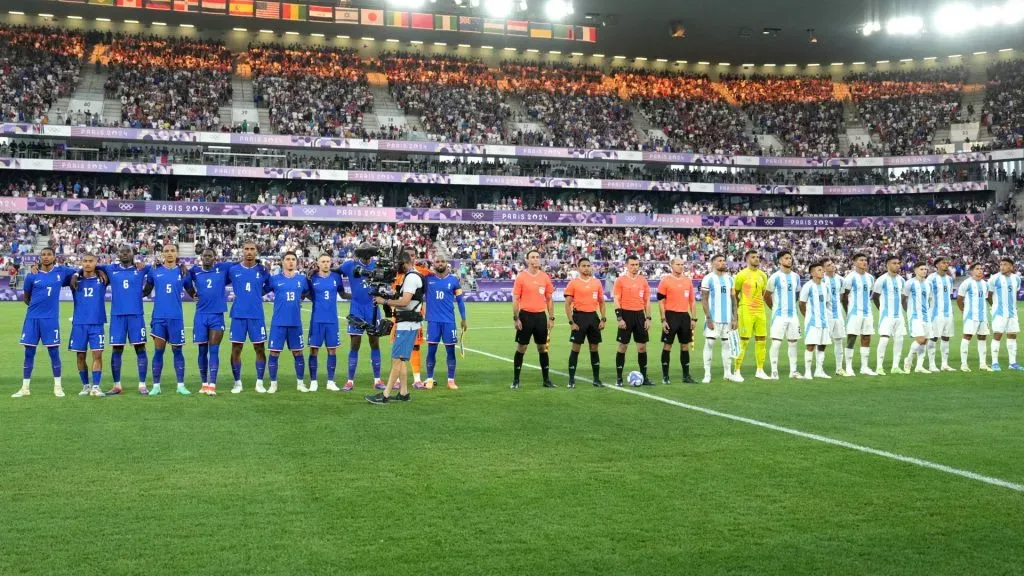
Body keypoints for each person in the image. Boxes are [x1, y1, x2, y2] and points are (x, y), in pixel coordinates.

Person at [14, 248, 75, 398]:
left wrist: (76, 275)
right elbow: (26, 298)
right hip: (32, 319)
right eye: (43, 255)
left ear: (54, 257)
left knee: (54, 353)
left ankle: (58, 387)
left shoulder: (61, 272)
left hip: (50, 320)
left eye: (49, 254)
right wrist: (37, 309)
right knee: (29, 353)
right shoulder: (32, 275)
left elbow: (79, 271)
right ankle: (25, 388)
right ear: (40, 257)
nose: (46, 257)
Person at [366, 251, 423, 404]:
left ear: (403, 263)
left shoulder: (411, 277)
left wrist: (384, 301)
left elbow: (404, 302)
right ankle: (403, 393)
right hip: (408, 323)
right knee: (402, 359)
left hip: (407, 324)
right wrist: (391, 296)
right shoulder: (412, 276)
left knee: (396, 359)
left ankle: (385, 395)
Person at [143, 243, 195, 396]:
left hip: (176, 318)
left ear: (177, 253)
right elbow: (146, 291)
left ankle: (180, 385)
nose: (170, 253)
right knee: (158, 352)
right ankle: (156, 386)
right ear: (162, 254)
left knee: (177, 351)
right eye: (167, 251)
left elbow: (192, 291)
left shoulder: (183, 272)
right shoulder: (154, 270)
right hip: (159, 317)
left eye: (172, 251)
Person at [99, 245, 151, 395]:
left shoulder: (141, 268)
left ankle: (142, 385)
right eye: (121, 252)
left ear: (133, 253)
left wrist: (181, 265)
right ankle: (117, 386)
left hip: (136, 315)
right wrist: (77, 274)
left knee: (140, 348)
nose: (124, 254)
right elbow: (90, 265)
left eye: (127, 251)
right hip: (117, 316)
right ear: (117, 254)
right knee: (117, 349)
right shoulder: (110, 268)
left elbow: (157, 268)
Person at [339, 244, 384, 391]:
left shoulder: (378, 265)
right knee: (355, 344)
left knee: (374, 343)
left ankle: (377, 380)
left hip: (373, 308)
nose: (366, 255)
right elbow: (335, 271)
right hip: (356, 308)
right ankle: (350, 381)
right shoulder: (349, 265)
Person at [229, 240, 271, 393]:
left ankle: (259, 382)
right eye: (246, 249)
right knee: (236, 348)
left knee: (259, 348)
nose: (249, 251)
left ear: (256, 251)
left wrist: (256, 295)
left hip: (256, 315)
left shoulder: (263, 271)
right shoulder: (233, 270)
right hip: (238, 315)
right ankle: (237, 382)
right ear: (242, 251)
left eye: (252, 249)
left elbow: (269, 286)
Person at [511, 249, 555, 389]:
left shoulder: (545, 277)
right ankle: (516, 380)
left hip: (541, 316)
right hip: (525, 316)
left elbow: (549, 299)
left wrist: (551, 317)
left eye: (537, 257)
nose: (536, 259)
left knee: (543, 348)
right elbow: (516, 298)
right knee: (522, 347)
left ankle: (546, 380)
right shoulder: (521, 277)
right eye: (533, 257)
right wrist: (516, 318)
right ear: (528, 260)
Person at [422, 253, 467, 390]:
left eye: (442, 261)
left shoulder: (454, 280)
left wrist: (463, 318)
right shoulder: (427, 279)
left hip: (449, 321)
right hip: (433, 321)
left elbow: (460, 301)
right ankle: (429, 379)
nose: (440, 263)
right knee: (431, 351)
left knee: (451, 351)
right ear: (433, 264)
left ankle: (451, 380)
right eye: (437, 262)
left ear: (446, 263)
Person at [268, 252, 311, 394]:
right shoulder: (274, 279)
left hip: (295, 323)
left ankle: (300, 383)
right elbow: (259, 291)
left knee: (298, 353)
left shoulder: (302, 279)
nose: (290, 262)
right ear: (282, 262)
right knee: (274, 353)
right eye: (288, 259)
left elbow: (306, 293)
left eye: (293, 259)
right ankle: (273, 384)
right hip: (278, 323)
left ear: (297, 262)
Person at [189, 248, 230, 395]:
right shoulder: (194, 271)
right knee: (201, 351)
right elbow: (186, 282)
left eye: (210, 256)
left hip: (216, 315)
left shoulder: (223, 270)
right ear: (201, 257)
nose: (207, 258)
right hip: (200, 316)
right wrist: (192, 293)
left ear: (214, 258)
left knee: (214, 350)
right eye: (205, 256)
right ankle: (203, 383)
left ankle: (212, 384)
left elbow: (240, 268)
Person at [68, 253, 108, 397]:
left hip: (97, 323)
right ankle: (85, 386)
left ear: (96, 262)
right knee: (80, 356)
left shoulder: (103, 278)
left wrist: (100, 269)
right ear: (81, 262)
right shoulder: (74, 279)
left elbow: (113, 268)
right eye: (84, 261)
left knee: (97, 354)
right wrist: (76, 272)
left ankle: (96, 387)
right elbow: (58, 271)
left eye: (91, 261)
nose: (87, 264)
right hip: (79, 323)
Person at [564, 257, 606, 388]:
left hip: (593, 317)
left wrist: (603, 318)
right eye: (583, 266)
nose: (586, 268)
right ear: (578, 268)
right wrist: (571, 322)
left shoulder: (597, 283)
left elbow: (601, 302)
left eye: (588, 265)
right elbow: (567, 304)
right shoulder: (573, 283)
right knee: (576, 348)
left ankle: (596, 379)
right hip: (579, 317)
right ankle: (571, 380)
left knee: (594, 348)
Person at [656, 257, 697, 384]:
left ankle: (686, 376)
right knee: (667, 345)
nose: (680, 266)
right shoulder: (665, 281)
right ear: (671, 265)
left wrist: (694, 318)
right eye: (678, 264)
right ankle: (665, 376)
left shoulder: (688, 281)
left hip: (685, 316)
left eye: (682, 264)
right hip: (670, 316)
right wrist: (663, 319)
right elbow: (661, 302)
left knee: (685, 346)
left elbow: (692, 301)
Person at [613, 255, 652, 387]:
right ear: (626, 266)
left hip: (640, 315)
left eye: (637, 265)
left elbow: (647, 301)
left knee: (642, 347)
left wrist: (648, 318)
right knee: (623, 346)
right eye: (632, 265)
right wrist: (619, 318)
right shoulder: (620, 281)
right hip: (626, 315)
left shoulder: (643, 281)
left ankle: (644, 377)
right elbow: (616, 299)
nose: (635, 267)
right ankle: (619, 378)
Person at [307, 254, 344, 392]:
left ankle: (330, 381)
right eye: (323, 261)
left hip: (332, 320)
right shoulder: (312, 278)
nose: (326, 264)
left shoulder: (336, 278)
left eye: (328, 261)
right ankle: (313, 381)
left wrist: (359, 297)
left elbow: (343, 294)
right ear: (318, 263)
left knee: (332, 350)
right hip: (316, 319)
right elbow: (306, 294)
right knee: (314, 349)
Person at [700, 254, 739, 383]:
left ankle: (727, 373)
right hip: (713, 319)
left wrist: (735, 318)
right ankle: (707, 374)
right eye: (720, 261)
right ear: (713, 263)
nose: (723, 263)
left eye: (724, 260)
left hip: (727, 319)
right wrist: (708, 318)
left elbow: (734, 300)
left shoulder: (730, 279)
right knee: (709, 343)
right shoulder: (708, 279)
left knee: (727, 345)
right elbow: (704, 300)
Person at [733, 250, 769, 380]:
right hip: (746, 310)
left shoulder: (763, 275)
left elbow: (763, 293)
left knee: (761, 340)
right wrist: (736, 312)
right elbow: (735, 295)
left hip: (760, 311)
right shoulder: (741, 275)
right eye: (753, 257)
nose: (757, 259)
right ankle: (736, 371)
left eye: (758, 257)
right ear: (747, 259)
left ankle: (760, 370)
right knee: (744, 341)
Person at [765, 251, 802, 380]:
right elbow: (766, 296)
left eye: (790, 258)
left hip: (793, 316)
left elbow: (797, 294)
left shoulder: (796, 277)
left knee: (793, 343)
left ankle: (793, 371)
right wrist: (774, 308)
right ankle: (774, 371)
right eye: (786, 258)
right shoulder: (774, 277)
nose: (789, 260)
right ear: (780, 261)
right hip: (779, 316)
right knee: (776, 343)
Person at [842, 253, 877, 376]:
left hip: (867, 312)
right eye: (861, 260)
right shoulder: (850, 278)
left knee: (866, 337)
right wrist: (848, 311)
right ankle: (848, 367)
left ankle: (864, 367)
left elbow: (869, 294)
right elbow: (844, 296)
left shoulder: (870, 278)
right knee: (852, 338)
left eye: (865, 260)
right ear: (854, 262)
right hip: (854, 312)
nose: (864, 262)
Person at [872, 256, 907, 376]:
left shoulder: (902, 280)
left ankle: (895, 366)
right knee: (884, 339)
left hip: (899, 316)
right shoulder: (881, 280)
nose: (897, 265)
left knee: (899, 339)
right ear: (887, 265)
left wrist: (906, 311)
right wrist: (882, 310)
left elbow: (903, 298)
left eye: (898, 263)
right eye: (894, 263)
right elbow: (875, 297)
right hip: (886, 316)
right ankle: (879, 367)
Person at [798, 260, 831, 380]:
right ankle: (807, 372)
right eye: (819, 270)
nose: (822, 272)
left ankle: (819, 370)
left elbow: (827, 303)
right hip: (812, 322)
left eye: (822, 270)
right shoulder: (808, 286)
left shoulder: (825, 286)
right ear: (812, 273)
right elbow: (802, 303)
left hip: (824, 321)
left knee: (822, 345)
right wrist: (807, 316)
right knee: (810, 345)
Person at [988, 257, 1022, 371]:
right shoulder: (994, 278)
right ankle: (994, 363)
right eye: (1001, 264)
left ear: (1011, 267)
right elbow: (989, 295)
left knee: (1012, 335)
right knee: (997, 335)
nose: (1002, 267)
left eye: (1005, 264)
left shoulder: (1017, 279)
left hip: (1012, 313)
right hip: (999, 313)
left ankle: (1012, 363)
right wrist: (994, 307)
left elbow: (1014, 293)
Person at [957, 263, 992, 372]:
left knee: (982, 338)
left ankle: (982, 364)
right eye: (977, 269)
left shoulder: (985, 284)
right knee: (967, 337)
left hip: (983, 316)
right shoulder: (966, 283)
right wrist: (964, 311)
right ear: (972, 271)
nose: (980, 270)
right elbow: (959, 300)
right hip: (971, 316)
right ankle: (963, 364)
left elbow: (986, 298)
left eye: (981, 268)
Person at [926, 256, 956, 372]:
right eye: (943, 263)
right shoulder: (931, 278)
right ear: (937, 265)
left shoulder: (949, 279)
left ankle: (944, 364)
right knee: (933, 338)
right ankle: (932, 364)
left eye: (947, 263)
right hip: (935, 313)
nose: (946, 264)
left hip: (948, 313)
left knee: (946, 338)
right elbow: (927, 296)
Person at [902, 262, 933, 374]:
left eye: (925, 269)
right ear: (915, 270)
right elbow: (903, 298)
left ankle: (919, 366)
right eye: (921, 269)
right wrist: (909, 312)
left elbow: (929, 299)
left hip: (926, 316)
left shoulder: (929, 283)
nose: (924, 271)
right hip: (915, 316)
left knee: (925, 341)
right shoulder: (909, 283)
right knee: (920, 339)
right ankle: (908, 360)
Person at [822, 258, 848, 377]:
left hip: (838, 315)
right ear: (824, 268)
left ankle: (839, 368)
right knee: (822, 342)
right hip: (826, 315)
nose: (832, 266)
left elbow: (841, 297)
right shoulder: (821, 280)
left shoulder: (841, 280)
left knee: (839, 340)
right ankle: (819, 368)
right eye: (828, 265)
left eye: (832, 263)